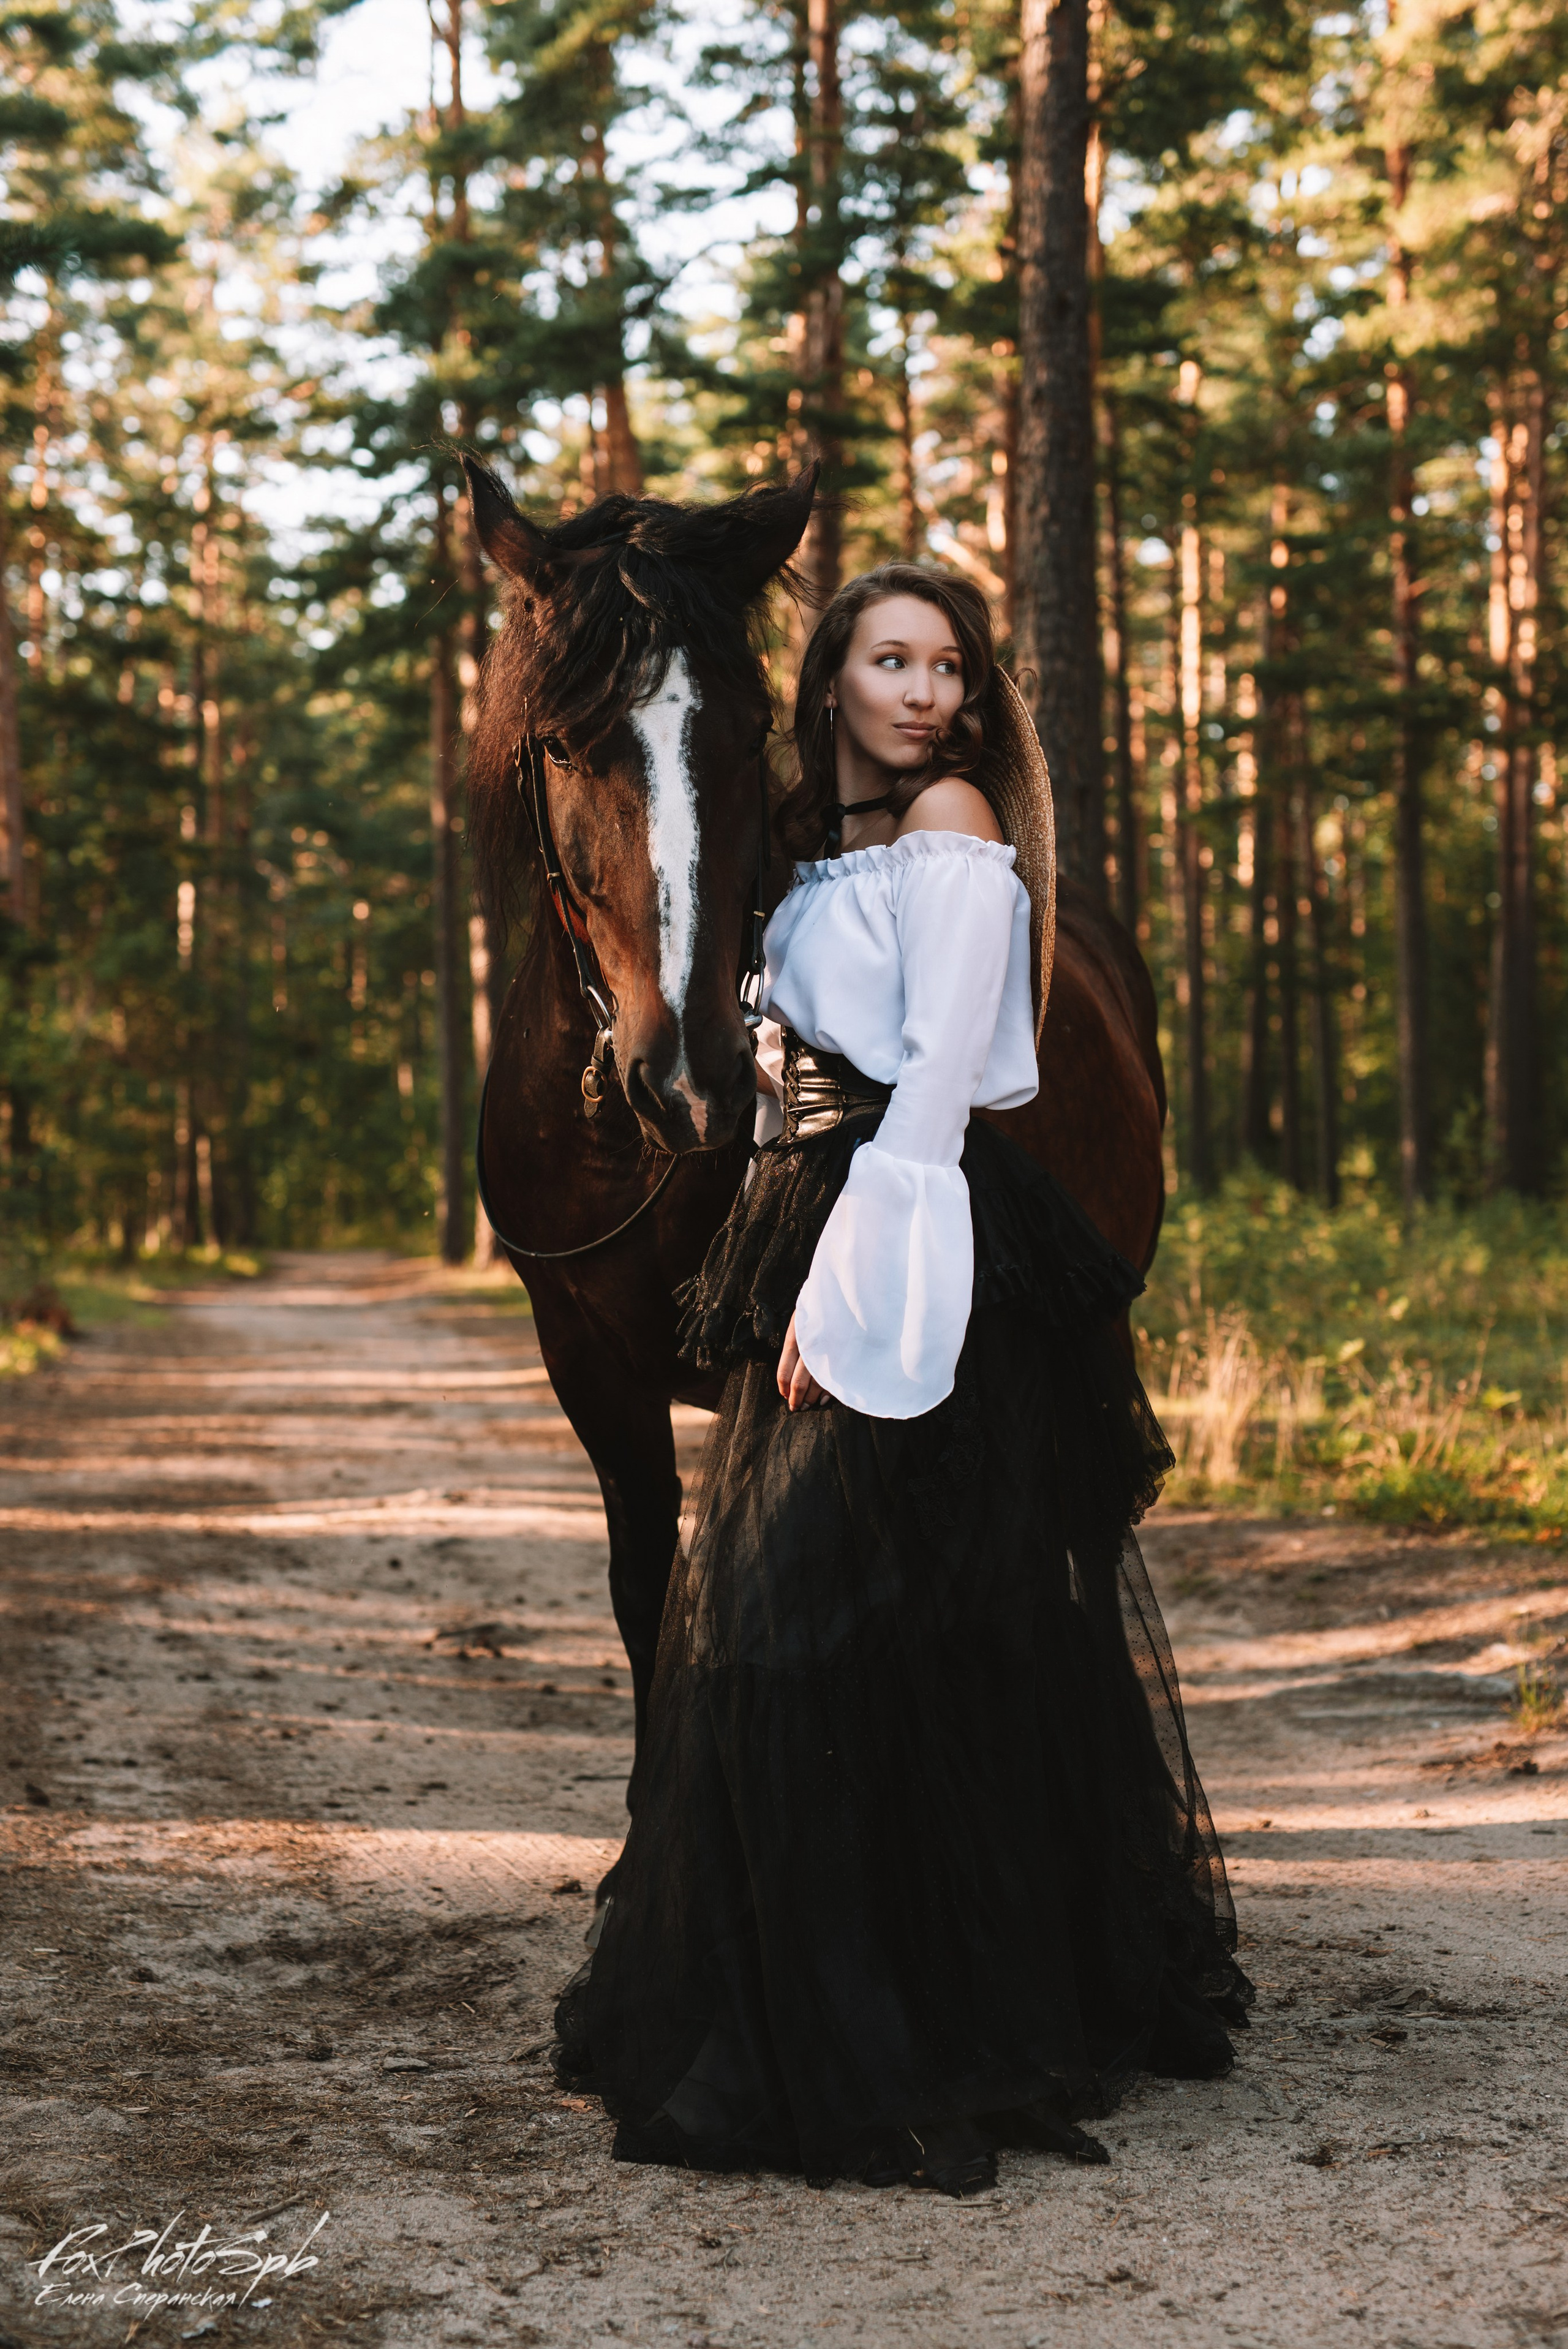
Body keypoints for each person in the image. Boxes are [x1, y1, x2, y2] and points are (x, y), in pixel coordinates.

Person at [556, 563, 1251, 2196]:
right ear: (831, 679)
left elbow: (938, 1070)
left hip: (911, 1225)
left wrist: (845, 1295)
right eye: (894, 659)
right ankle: (816, 2006)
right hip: (812, 1201)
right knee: (807, 1650)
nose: (930, 689)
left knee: (847, 1629)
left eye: (950, 662)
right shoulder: (803, 840)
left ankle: (908, 2036)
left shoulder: (953, 817)